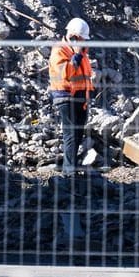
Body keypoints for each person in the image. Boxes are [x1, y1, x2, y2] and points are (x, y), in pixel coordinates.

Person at [49, 18, 94, 174]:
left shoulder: (82, 53)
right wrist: (75, 56)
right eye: (81, 39)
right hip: (66, 97)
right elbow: (65, 73)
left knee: (77, 134)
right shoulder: (59, 50)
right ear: (74, 37)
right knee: (71, 134)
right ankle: (69, 172)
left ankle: (71, 167)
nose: (83, 43)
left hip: (80, 98)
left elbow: (86, 76)